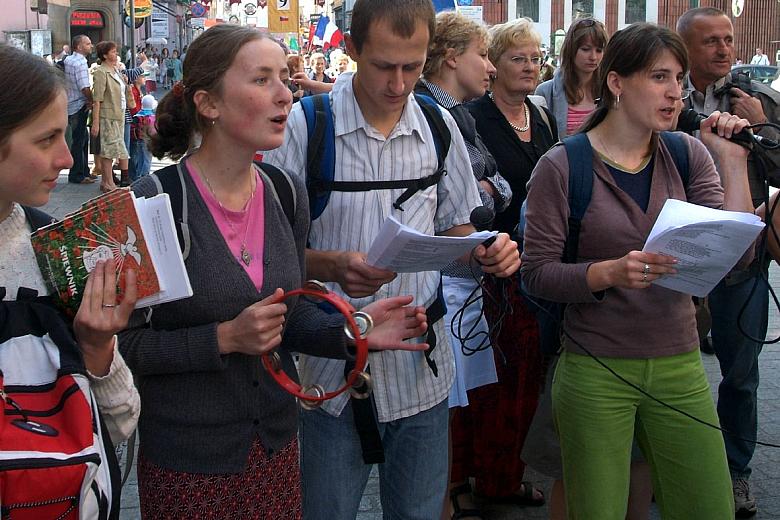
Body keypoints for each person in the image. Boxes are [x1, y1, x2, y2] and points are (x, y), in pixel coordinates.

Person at [118, 24, 430, 518]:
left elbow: (287, 315)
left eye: (284, 78)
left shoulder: (284, 191)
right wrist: (222, 337)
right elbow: (121, 347)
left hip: (276, 452)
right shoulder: (152, 205)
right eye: (262, 80)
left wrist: (357, 329)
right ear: (209, 103)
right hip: (189, 464)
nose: (286, 94)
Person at [263, 1, 520, 518]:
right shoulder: (304, 127)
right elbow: (267, 257)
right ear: (352, 50)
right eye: (384, 66)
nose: (400, 83)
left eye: (413, 66)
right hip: (331, 375)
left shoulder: (439, 124)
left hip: (421, 370)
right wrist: (333, 266)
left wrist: (488, 253)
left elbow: (457, 232)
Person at [521, 22, 755, 518]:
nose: (675, 92)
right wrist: (607, 273)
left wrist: (732, 162)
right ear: (617, 83)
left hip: (679, 362)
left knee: (709, 505)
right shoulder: (561, 166)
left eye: (678, 78)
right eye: (659, 77)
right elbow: (536, 274)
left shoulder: (688, 153)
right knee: (597, 508)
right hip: (595, 368)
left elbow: (737, 257)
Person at [0, 40, 139, 492]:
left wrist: (97, 348)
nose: (66, 158)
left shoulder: (52, 245)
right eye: (46, 139)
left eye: (64, 135)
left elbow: (118, 423)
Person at [446, 18, 555, 515]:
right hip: (487, 268)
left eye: (535, 58)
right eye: (517, 58)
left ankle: (502, 475)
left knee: (523, 379)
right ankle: (470, 478)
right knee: (483, 381)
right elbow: (470, 198)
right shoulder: (473, 115)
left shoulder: (542, 114)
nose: (529, 66)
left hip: (535, 263)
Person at [676, 8, 780, 517]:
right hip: (678, 254)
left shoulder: (756, 99)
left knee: (741, 374)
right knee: (672, 370)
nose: (722, 49)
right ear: (685, 49)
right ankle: (671, 467)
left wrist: (762, 129)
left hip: (742, 258)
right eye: (710, 41)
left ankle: (736, 471)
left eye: (729, 39)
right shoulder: (665, 96)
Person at [415, 12, 513, 517]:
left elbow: (492, 186)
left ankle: (449, 492)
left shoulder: (460, 112)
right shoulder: (436, 113)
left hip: (462, 277)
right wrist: (488, 195)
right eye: (482, 54)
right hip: (447, 280)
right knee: (444, 404)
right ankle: (446, 496)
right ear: (452, 57)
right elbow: (474, 200)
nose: (490, 67)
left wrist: (489, 192)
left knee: (455, 400)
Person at [536, 18, 608, 137]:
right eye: (586, 49)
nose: (593, 57)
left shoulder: (610, 92)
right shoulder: (545, 92)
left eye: (599, 50)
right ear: (571, 49)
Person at [91, 41, 132, 193]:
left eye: (115, 51)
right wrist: (96, 122)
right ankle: (108, 182)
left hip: (119, 114)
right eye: (113, 52)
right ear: (104, 55)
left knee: (114, 149)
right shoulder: (101, 72)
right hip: (107, 115)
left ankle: (107, 182)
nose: (116, 54)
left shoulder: (115, 70)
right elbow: (97, 99)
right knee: (108, 150)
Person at [64, 34, 95, 185]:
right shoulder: (80, 62)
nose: (91, 46)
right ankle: (77, 174)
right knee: (79, 140)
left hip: (70, 102)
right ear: (79, 46)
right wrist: (91, 100)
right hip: (78, 103)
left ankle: (84, 171)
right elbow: (84, 86)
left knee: (81, 138)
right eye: (88, 44)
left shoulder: (69, 59)